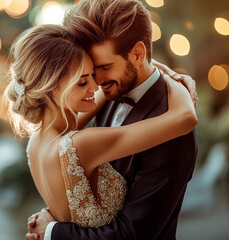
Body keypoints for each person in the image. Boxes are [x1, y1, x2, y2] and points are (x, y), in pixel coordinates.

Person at [25, 0, 199, 239]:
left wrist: (53, 231)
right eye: (87, 74)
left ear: (138, 53)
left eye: (105, 67)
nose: (96, 82)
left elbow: (134, 234)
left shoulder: (173, 131)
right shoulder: (103, 97)